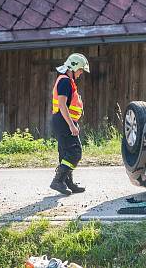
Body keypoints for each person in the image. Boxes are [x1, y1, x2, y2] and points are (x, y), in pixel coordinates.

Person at [50, 53, 90, 195]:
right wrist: (71, 125)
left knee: (66, 152)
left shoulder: (66, 81)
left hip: (63, 120)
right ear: (73, 67)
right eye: (80, 70)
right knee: (75, 152)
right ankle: (58, 181)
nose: (80, 74)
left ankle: (68, 182)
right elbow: (62, 104)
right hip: (64, 121)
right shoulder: (65, 81)